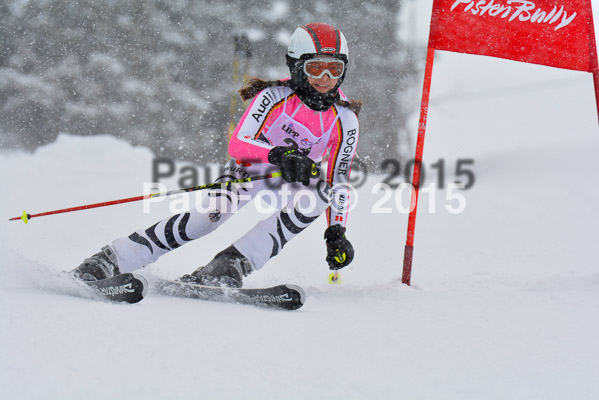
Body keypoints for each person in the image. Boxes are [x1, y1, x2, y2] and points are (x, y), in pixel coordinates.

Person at [70, 22, 361, 288]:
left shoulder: (345, 119)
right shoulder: (274, 98)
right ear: (297, 66)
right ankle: (112, 258)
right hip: (255, 169)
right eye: (315, 68)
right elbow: (239, 144)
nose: (325, 78)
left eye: (334, 70)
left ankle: (230, 264)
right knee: (208, 218)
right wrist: (278, 155)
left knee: (322, 192)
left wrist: (336, 231)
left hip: (295, 180)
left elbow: (339, 179)